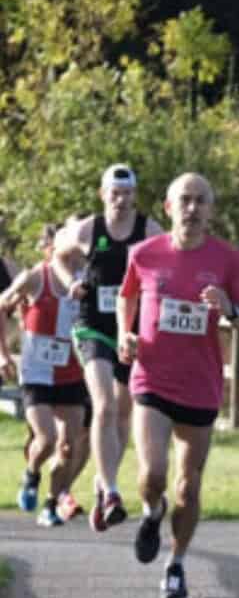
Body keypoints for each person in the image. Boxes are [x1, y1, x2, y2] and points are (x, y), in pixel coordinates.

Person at [119, 173, 239, 598]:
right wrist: (125, 332)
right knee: (153, 473)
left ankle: (175, 565)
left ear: (211, 210)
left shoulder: (227, 259)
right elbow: (127, 297)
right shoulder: (144, 254)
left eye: (201, 201)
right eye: (185, 200)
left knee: (188, 486)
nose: (192, 209)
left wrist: (228, 306)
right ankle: (150, 510)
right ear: (168, 207)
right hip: (151, 378)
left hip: (200, 385)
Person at [53, 165, 163, 531]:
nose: (121, 200)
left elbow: (171, 259)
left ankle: (103, 481)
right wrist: (72, 281)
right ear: (103, 195)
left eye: (127, 193)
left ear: (135, 196)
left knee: (123, 412)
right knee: (103, 403)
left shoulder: (148, 230)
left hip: (130, 330)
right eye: (114, 193)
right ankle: (113, 492)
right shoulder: (88, 229)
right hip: (93, 326)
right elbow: (58, 255)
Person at [0, 225, 91, 525]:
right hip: (37, 371)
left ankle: (51, 503)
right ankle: (31, 473)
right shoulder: (35, 277)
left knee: (69, 446)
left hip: (72, 373)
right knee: (47, 438)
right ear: (49, 250)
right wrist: (2, 355)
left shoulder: (86, 281)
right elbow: (1, 307)